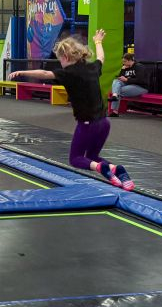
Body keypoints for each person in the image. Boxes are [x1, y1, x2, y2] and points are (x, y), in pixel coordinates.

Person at [9, 29, 135, 190]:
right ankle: (118, 171)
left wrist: (22, 71)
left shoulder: (68, 73)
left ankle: (101, 168)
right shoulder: (92, 68)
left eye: (59, 59)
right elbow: (101, 58)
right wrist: (98, 41)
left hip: (87, 124)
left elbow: (45, 73)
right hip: (104, 123)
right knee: (92, 157)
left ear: (66, 57)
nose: (60, 63)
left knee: (75, 159)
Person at [109, 53, 147, 117]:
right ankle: (114, 96)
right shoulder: (125, 67)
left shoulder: (139, 66)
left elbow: (140, 80)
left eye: (125, 61)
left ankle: (115, 111)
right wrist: (123, 70)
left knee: (118, 90)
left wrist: (127, 80)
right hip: (128, 85)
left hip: (141, 87)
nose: (123, 63)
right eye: (123, 62)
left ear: (130, 60)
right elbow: (121, 77)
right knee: (116, 81)